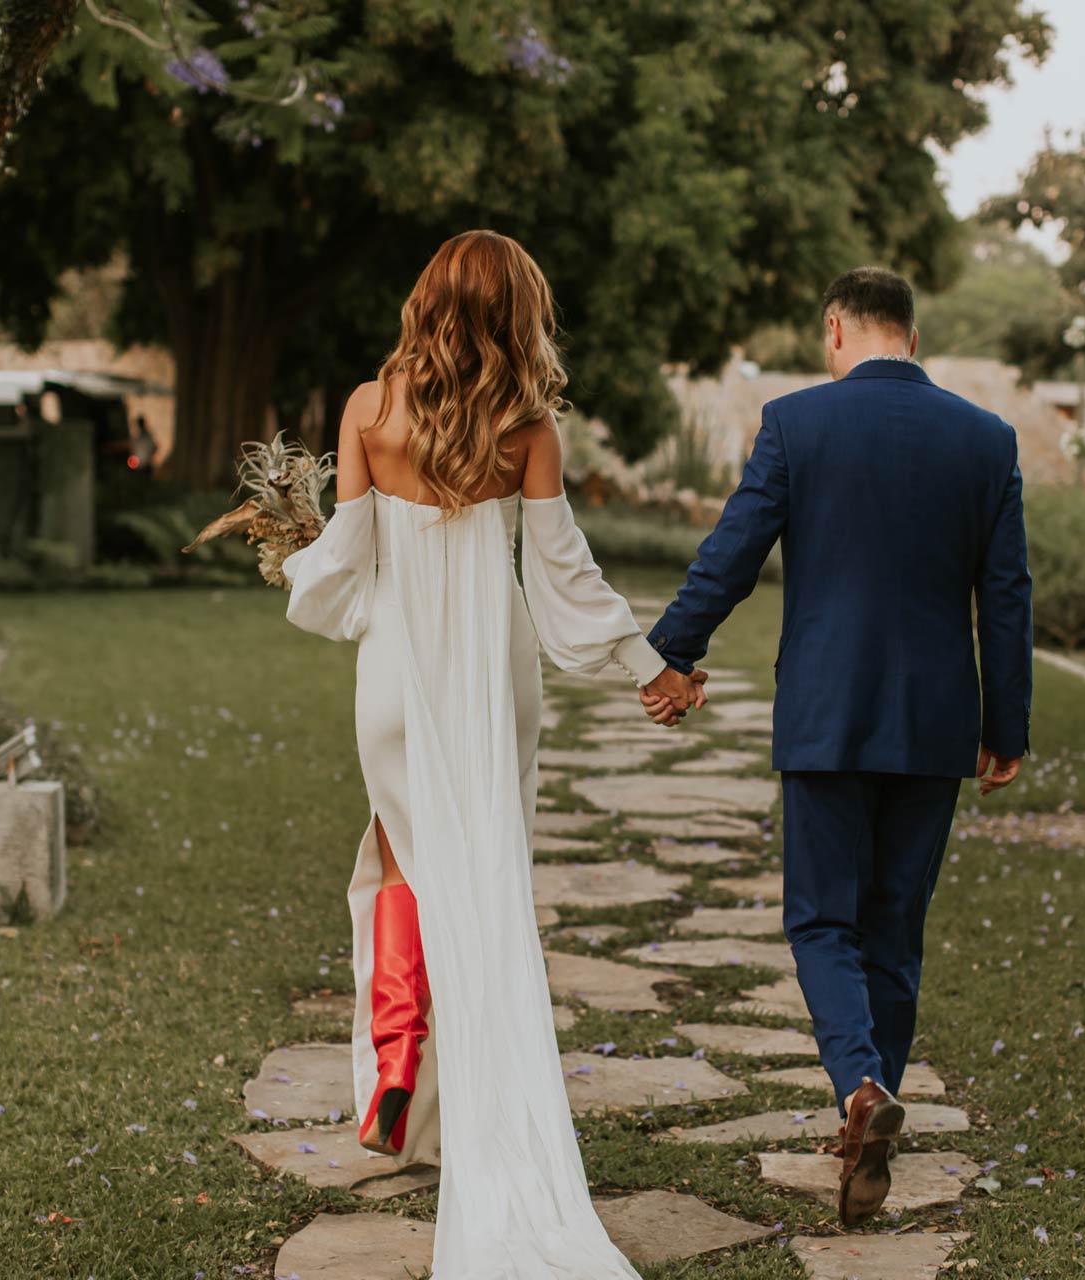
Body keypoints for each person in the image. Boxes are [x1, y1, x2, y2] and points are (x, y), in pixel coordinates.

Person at [279, 229, 697, 1278]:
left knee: (406, 869)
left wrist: (294, 563)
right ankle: (461, 1112)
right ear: (518, 312)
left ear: (427, 302)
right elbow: (563, 573)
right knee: (486, 891)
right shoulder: (528, 426)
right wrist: (648, 663)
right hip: (493, 679)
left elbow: (344, 562)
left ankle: (402, 1076)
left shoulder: (369, 408)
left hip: (396, 679)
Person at [638, 265, 1034, 1226]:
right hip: (935, 722)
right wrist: (1007, 727)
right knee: (894, 927)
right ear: (912, 335)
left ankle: (860, 1090)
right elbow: (1006, 595)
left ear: (835, 330)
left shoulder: (797, 423)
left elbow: (733, 552)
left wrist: (672, 652)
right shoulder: (986, 439)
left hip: (826, 712)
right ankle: (872, 1108)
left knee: (822, 921)